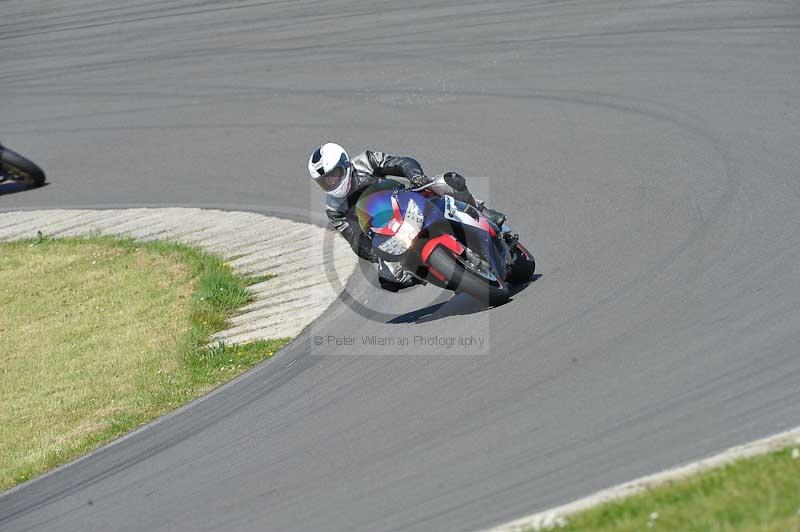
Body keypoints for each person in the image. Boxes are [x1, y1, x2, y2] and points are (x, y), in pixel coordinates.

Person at [308, 142, 507, 291]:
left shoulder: (365, 162)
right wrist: (375, 254)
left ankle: (482, 212)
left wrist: (414, 176)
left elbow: (401, 163)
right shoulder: (334, 209)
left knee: (445, 182)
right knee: (390, 278)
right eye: (325, 182)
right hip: (386, 231)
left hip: (404, 200)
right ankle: (442, 275)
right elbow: (355, 240)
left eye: (334, 175)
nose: (332, 183)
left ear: (345, 164)